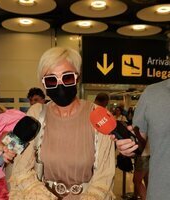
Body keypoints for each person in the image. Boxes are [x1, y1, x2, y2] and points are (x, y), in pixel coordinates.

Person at [7, 47, 116, 200]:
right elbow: (20, 167)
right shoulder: (35, 113)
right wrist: (3, 150)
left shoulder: (98, 115)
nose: (60, 85)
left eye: (67, 78)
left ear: (77, 78)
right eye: (51, 79)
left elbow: (104, 175)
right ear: (43, 83)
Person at [115, 78, 170, 200]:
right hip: (161, 193)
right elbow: (138, 142)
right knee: (139, 179)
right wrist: (128, 145)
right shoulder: (152, 94)